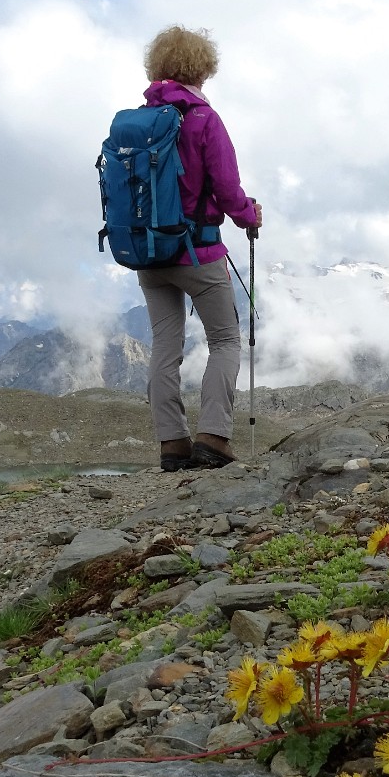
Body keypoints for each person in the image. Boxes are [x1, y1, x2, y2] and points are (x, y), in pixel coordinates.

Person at [136, 25, 262, 471]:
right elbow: (228, 192)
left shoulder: (139, 121)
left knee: (163, 347)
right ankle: (213, 437)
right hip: (198, 254)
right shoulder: (205, 119)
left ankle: (172, 444)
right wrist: (250, 214)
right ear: (203, 67)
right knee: (226, 341)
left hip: (147, 254)